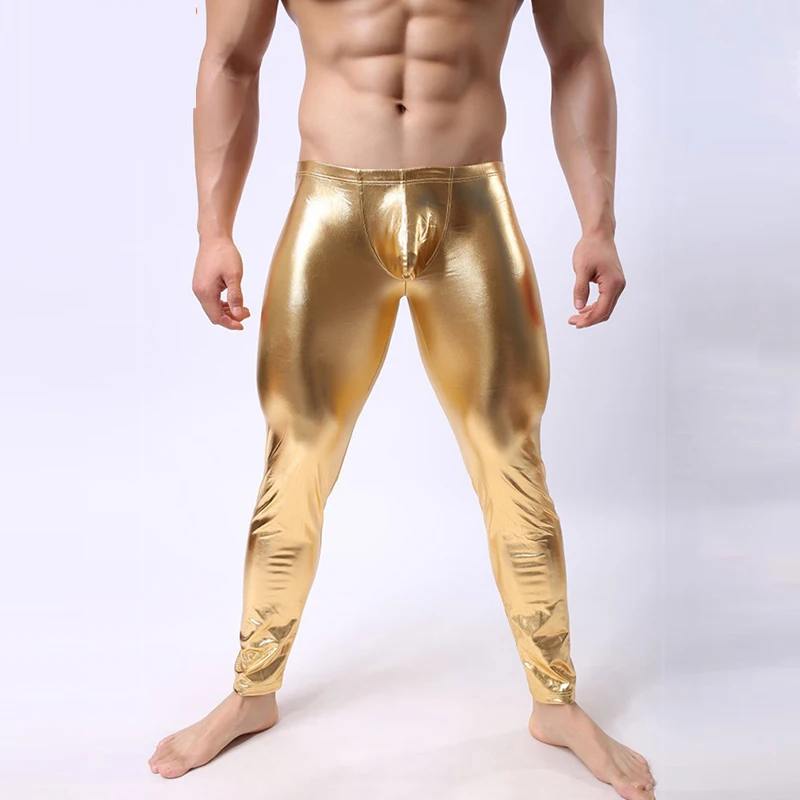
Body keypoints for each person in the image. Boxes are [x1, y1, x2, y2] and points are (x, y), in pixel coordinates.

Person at [149, 0, 655, 796]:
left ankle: (556, 702)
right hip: (330, 211)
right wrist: (214, 230)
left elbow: (579, 55)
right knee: (297, 453)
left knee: (510, 455)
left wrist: (600, 224)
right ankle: (252, 692)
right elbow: (231, 59)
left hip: (472, 211)